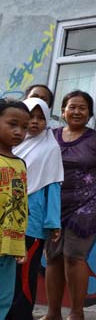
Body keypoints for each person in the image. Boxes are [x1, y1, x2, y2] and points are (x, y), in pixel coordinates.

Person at [43, 90, 96, 320]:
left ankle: (77, 313)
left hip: (87, 205)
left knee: (74, 257)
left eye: (82, 108)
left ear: (89, 113)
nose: (77, 111)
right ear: (63, 111)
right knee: (53, 257)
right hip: (55, 205)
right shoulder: (50, 136)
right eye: (72, 107)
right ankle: (53, 313)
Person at [8, 98, 63, 319]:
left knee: (25, 273)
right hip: (6, 223)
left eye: (41, 118)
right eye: (31, 116)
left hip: (32, 223)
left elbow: (53, 187)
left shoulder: (50, 148)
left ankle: (21, 315)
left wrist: (52, 222)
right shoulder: (10, 145)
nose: (35, 122)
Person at [0, 99, 30, 319]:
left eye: (24, 127)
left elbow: (20, 205)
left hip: (9, 245)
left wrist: (20, 244)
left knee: (4, 298)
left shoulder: (20, 163)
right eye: (12, 124)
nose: (19, 131)